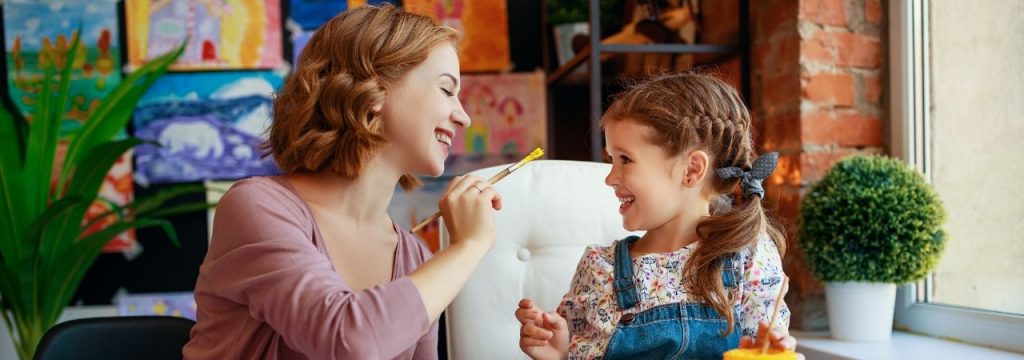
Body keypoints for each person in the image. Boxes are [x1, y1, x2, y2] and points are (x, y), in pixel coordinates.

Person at [184, 5, 502, 359]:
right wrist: (468, 246)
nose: (464, 117)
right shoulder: (257, 206)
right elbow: (347, 340)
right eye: (446, 90)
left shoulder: (413, 257)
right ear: (375, 90)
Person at [515, 73, 798, 359]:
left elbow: (763, 348)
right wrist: (562, 354)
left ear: (692, 170)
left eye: (625, 159)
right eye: (611, 160)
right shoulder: (599, 269)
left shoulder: (748, 256)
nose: (610, 178)